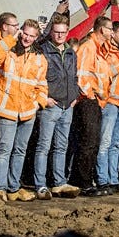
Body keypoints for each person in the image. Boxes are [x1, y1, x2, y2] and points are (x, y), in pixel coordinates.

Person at [0, 19, 47, 203]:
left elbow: (42, 85)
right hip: (7, 109)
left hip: (27, 112)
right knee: (4, 150)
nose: (28, 38)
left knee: (20, 151)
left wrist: (38, 104)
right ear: (20, 32)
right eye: (25, 34)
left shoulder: (40, 59)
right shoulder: (8, 52)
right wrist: (11, 39)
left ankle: (13, 187)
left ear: (36, 37)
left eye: (32, 36)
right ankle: (0, 188)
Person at [31, 15, 80, 200]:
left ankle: (59, 182)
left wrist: (74, 96)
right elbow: (37, 77)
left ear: (67, 33)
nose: (59, 36)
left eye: (63, 32)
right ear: (51, 31)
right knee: (43, 146)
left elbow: (74, 76)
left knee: (61, 146)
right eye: (56, 32)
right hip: (50, 105)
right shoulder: (43, 51)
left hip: (68, 106)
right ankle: (40, 184)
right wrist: (45, 98)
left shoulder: (71, 53)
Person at [69, 17, 112, 195]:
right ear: (102, 30)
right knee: (88, 143)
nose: (111, 32)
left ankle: (86, 179)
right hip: (88, 101)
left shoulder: (98, 49)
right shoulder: (88, 47)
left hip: (95, 101)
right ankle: (83, 182)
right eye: (110, 29)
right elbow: (81, 75)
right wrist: (92, 94)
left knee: (92, 143)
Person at [96, 20, 119, 194]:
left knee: (116, 144)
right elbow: (107, 73)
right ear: (113, 34)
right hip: (111, 102)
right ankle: (102, 179)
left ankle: (113, 179)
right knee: (105, 142)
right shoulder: (107, 52)